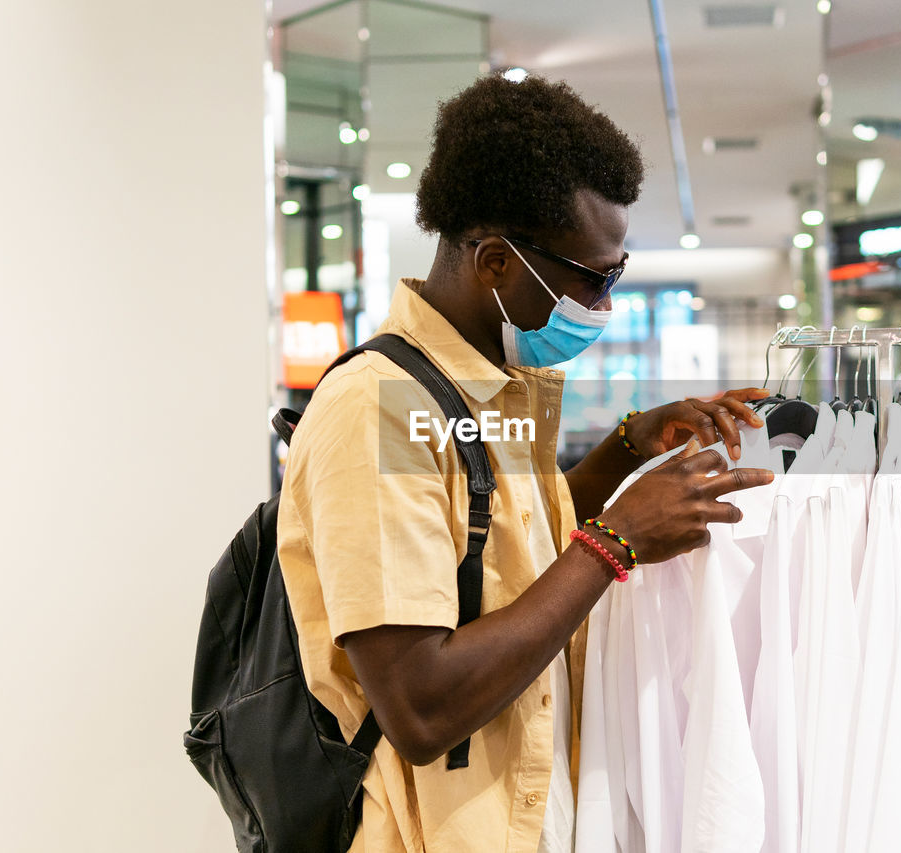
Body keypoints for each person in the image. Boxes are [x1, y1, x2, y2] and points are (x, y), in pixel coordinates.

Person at [277, 73, 773, 853]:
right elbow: (419, 704)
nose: (605, 304)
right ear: (499, 264)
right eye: (591, 278)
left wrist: (627, 446)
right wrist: (617, 541)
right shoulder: (375, 409)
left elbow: (506, 552)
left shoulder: (492, 388)